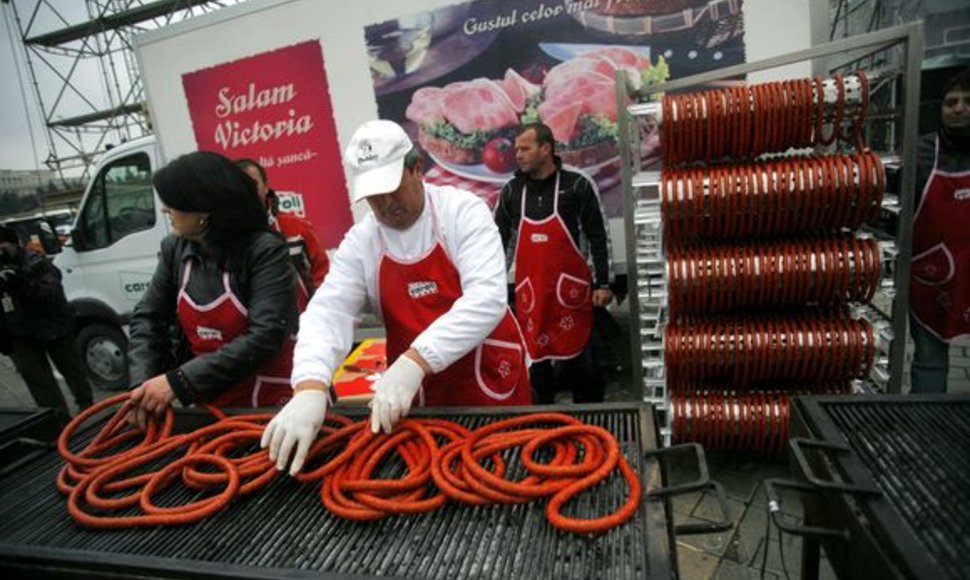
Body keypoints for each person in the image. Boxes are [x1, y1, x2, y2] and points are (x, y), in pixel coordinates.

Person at [262, 120, 531, 475]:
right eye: (374, 196)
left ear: (416, 169)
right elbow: (328, 312)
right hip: (415, 395)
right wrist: (310, 385)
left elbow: (486, 298)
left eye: (392, 188)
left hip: (487, 378)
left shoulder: (462, 211)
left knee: (506, 472)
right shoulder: (362, 242)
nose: (386, 204)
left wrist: (414, 361)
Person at [126, 151, 301, 427]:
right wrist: (143, 386)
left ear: (204, 208)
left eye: (173, 202)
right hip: (211, 397)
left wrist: (180, 381)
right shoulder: (175, 249)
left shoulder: (264, 249)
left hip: (272, 398)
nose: (164, 210)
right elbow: (148, 318)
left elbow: (267, 334)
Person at [494, 123, 613, 404]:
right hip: (531, 296)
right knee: (537, 370)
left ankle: (590, 430)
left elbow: (599, 235)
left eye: (525, 148)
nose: (518, 155)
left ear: (545, 148)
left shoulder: (578, 184)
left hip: (572, 296)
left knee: (586, 370)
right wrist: (492, 287)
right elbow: (498, 243)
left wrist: (604, 283)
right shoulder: (511, 191)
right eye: (516, 149)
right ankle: (545, 429)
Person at [909, 68, 970, 394]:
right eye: (951, 102)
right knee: (930, 358)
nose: (958, 108)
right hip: (934, 279)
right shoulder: (921, 154)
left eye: (967, 101)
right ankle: (925, 430)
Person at [0, 225, 93, 420]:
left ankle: (87, 408)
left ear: (14, 244)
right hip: (20, 333)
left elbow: (50, 292)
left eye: (3, 247)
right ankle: (57, 420)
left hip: (54, 328)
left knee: (73, 371)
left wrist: (21, 281)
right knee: (38, 380)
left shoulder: (36, 262)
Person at [236, 159, 330, 295]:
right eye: (239, 187)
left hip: (307, 315)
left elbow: (323, 277)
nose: (246, 192)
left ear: (266, 187)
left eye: (252, 185)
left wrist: (317, 313)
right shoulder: (227, 240)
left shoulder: (298, 228)